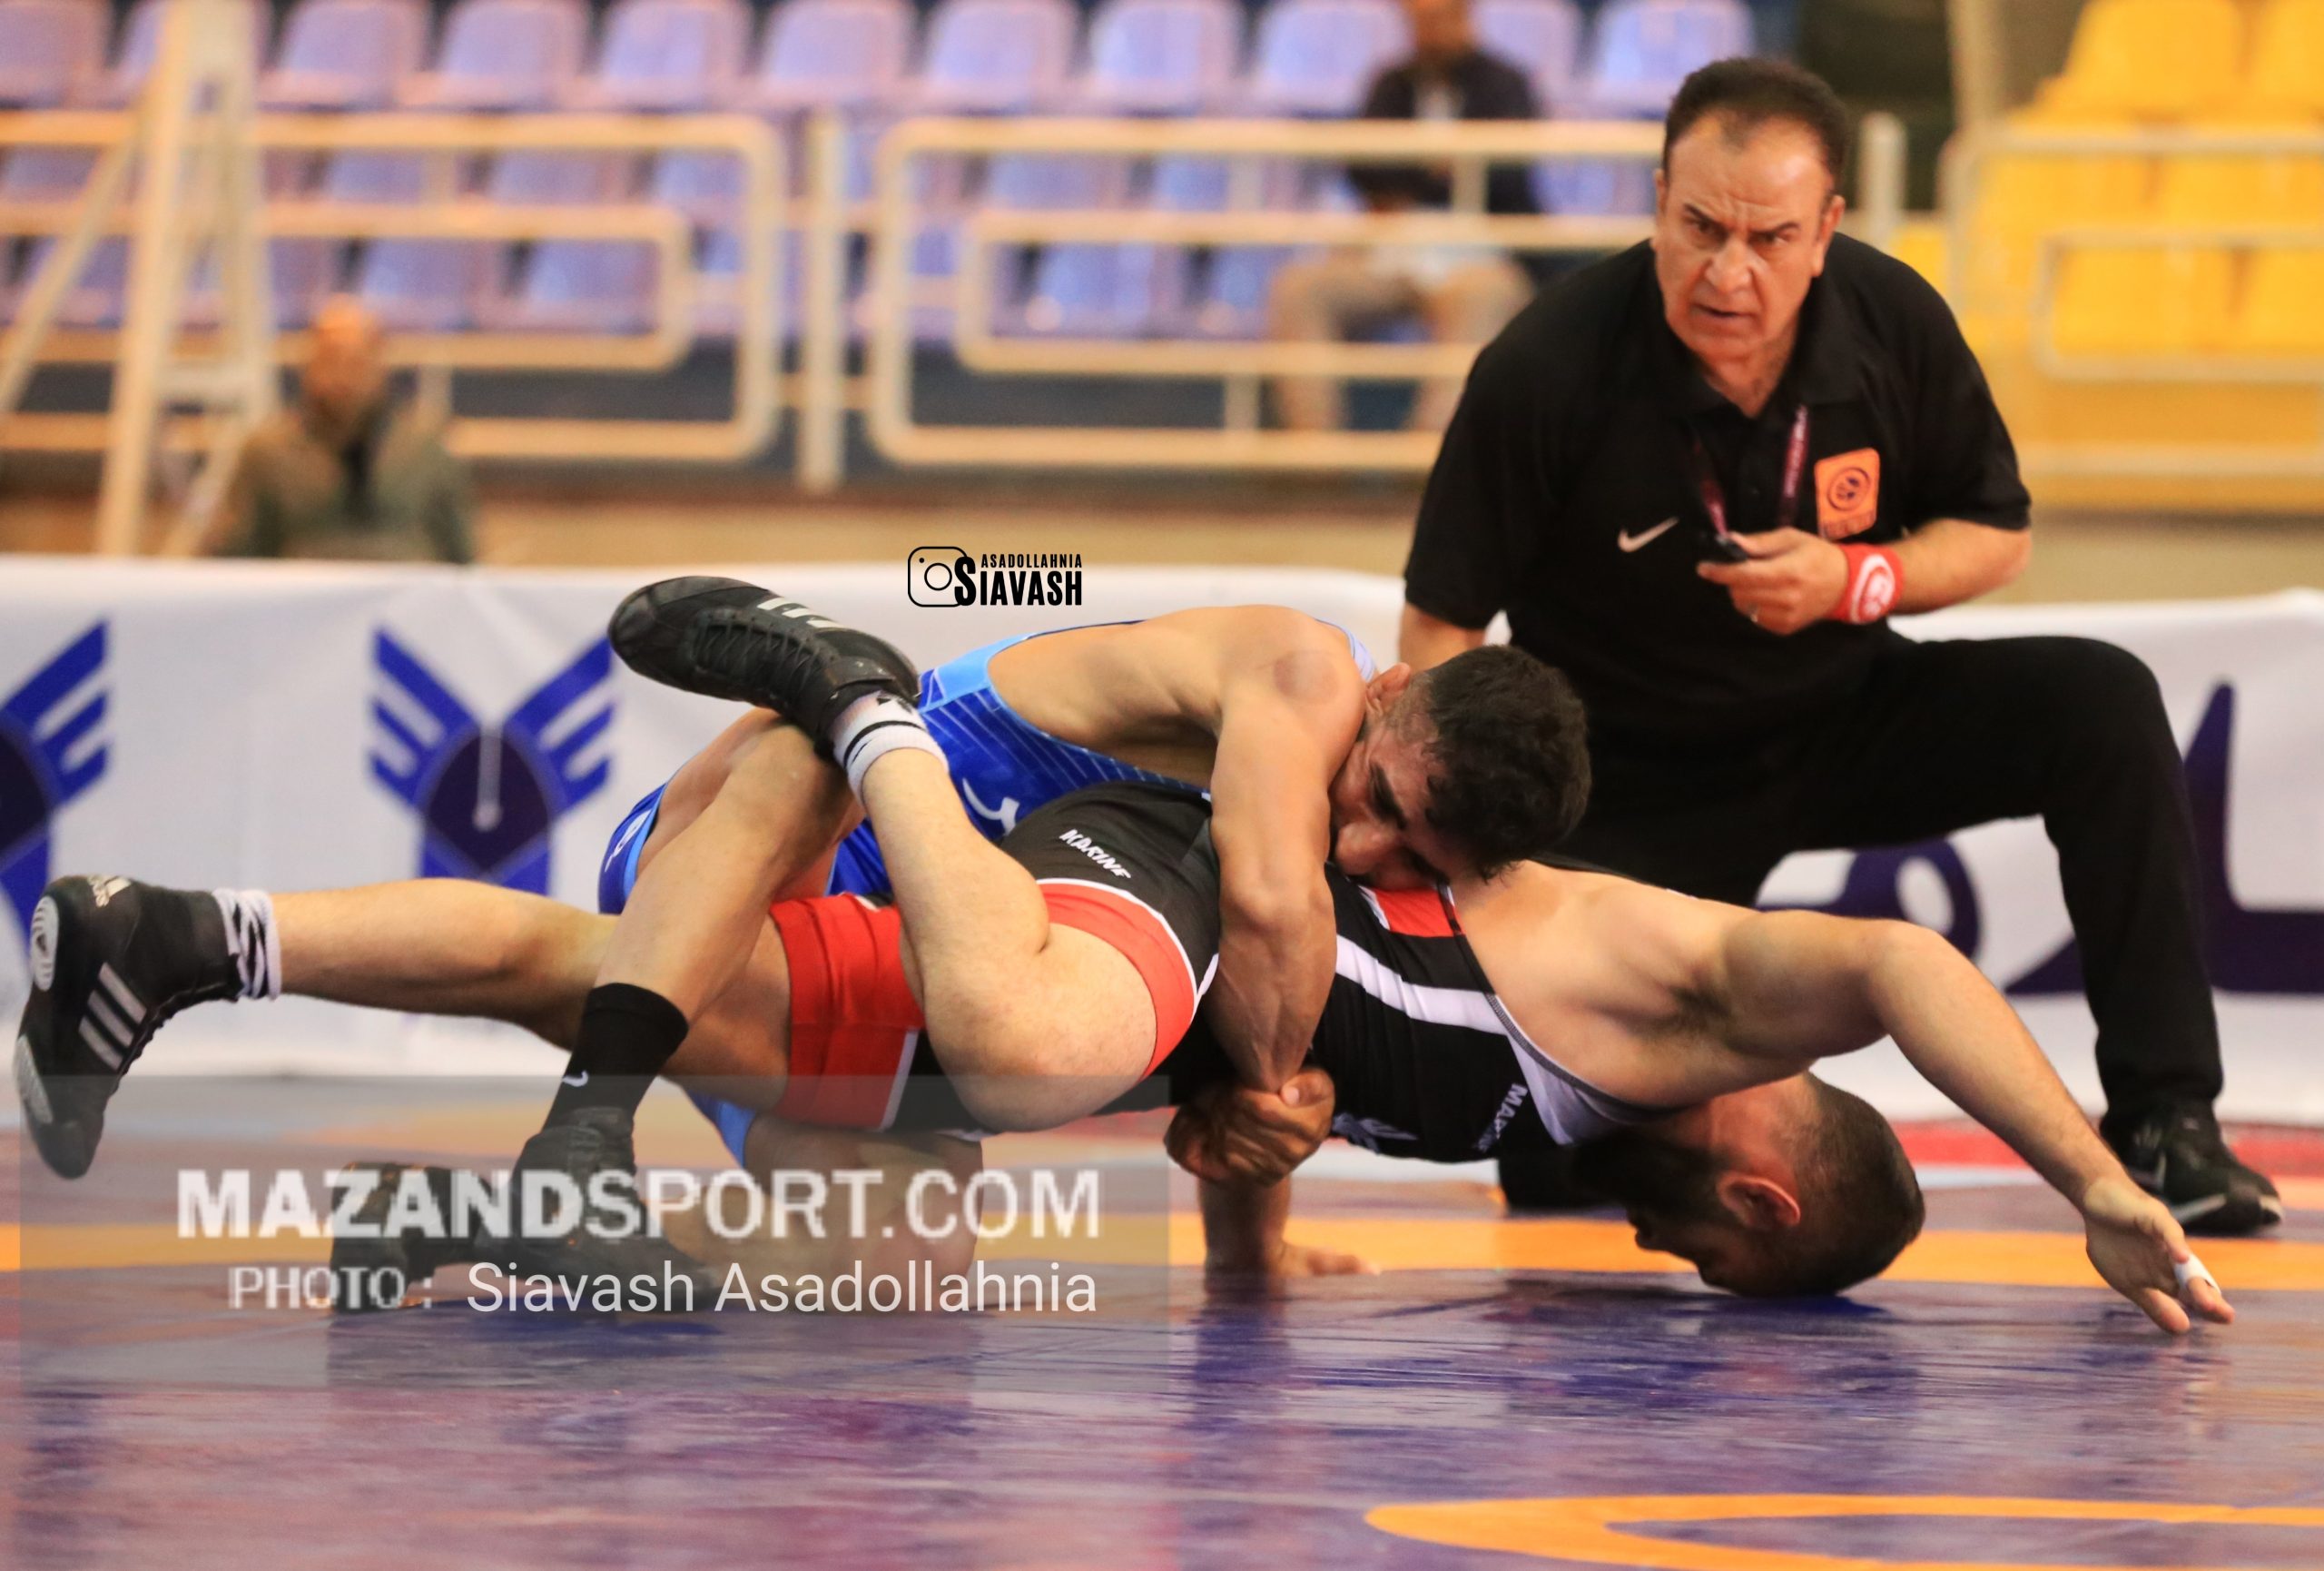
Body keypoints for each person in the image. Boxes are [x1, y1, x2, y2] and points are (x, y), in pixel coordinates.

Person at [17, 757, 2231, 1331]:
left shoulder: (1560, 1077)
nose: (1668, 1259)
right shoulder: (1684, 996)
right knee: (611, 973)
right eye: (1714, 1256)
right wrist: (2094, 1178)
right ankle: (186, 933)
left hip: (1036, 924)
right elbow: (1906, 966)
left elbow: (1277, 1057)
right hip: (967, 872)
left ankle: (444, 1220)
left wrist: (1251, 1234)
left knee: (863, 1300)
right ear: (1757, 1183)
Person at [18, 586, 1588, 1289]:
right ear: (1390, 694)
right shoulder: (1304, 675)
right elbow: (1270, 923)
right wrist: (1280, 1093)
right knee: (812, 747)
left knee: (900, 1265)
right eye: (1384, 801)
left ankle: (476, 1220)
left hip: (880, 937)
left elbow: (1259, 996)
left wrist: (1255, 1243)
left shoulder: (1306, 809)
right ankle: (198, 939)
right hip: (754, 849)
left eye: (1412, 860)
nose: (1365, 847)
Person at [1395, 57, 2280, 1235]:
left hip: (1843, 713)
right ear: (1658, 202)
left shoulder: (1891, 318)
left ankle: (2168, 1121)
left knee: (2100, 699)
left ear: (1826, 231)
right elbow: (1441, 628)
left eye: (1769, 237)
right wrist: (1473, 850)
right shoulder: (1544, 364)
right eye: (1700, 227)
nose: (1728, 271)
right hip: (1624, 778)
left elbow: (1997, 534)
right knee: (1565, 1182)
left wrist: (1858, 579)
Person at [1266, 0, 1539, 434]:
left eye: (1440, 19)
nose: (1429, 32)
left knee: (1482, 301)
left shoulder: (1505, 83)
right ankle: (1315, 454)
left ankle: (1429, 456)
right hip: (1393, 250)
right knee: (1299, 289)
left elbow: (1504, 177)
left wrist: (1409, 178)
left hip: (1478, 254)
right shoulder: (1391, 82)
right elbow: (1362, 168)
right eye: (1419, 20)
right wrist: (1440, 171)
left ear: (1465, 15)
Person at [211, 297, 473, 564]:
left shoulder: (425, 450)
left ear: (380, 364)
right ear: (310, 366)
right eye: (331, 360)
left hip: (406, 585)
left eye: (356, 362)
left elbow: (460, 551)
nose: (344, 376)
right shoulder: (268, 453)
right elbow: (231, 552)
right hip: (306, 586)